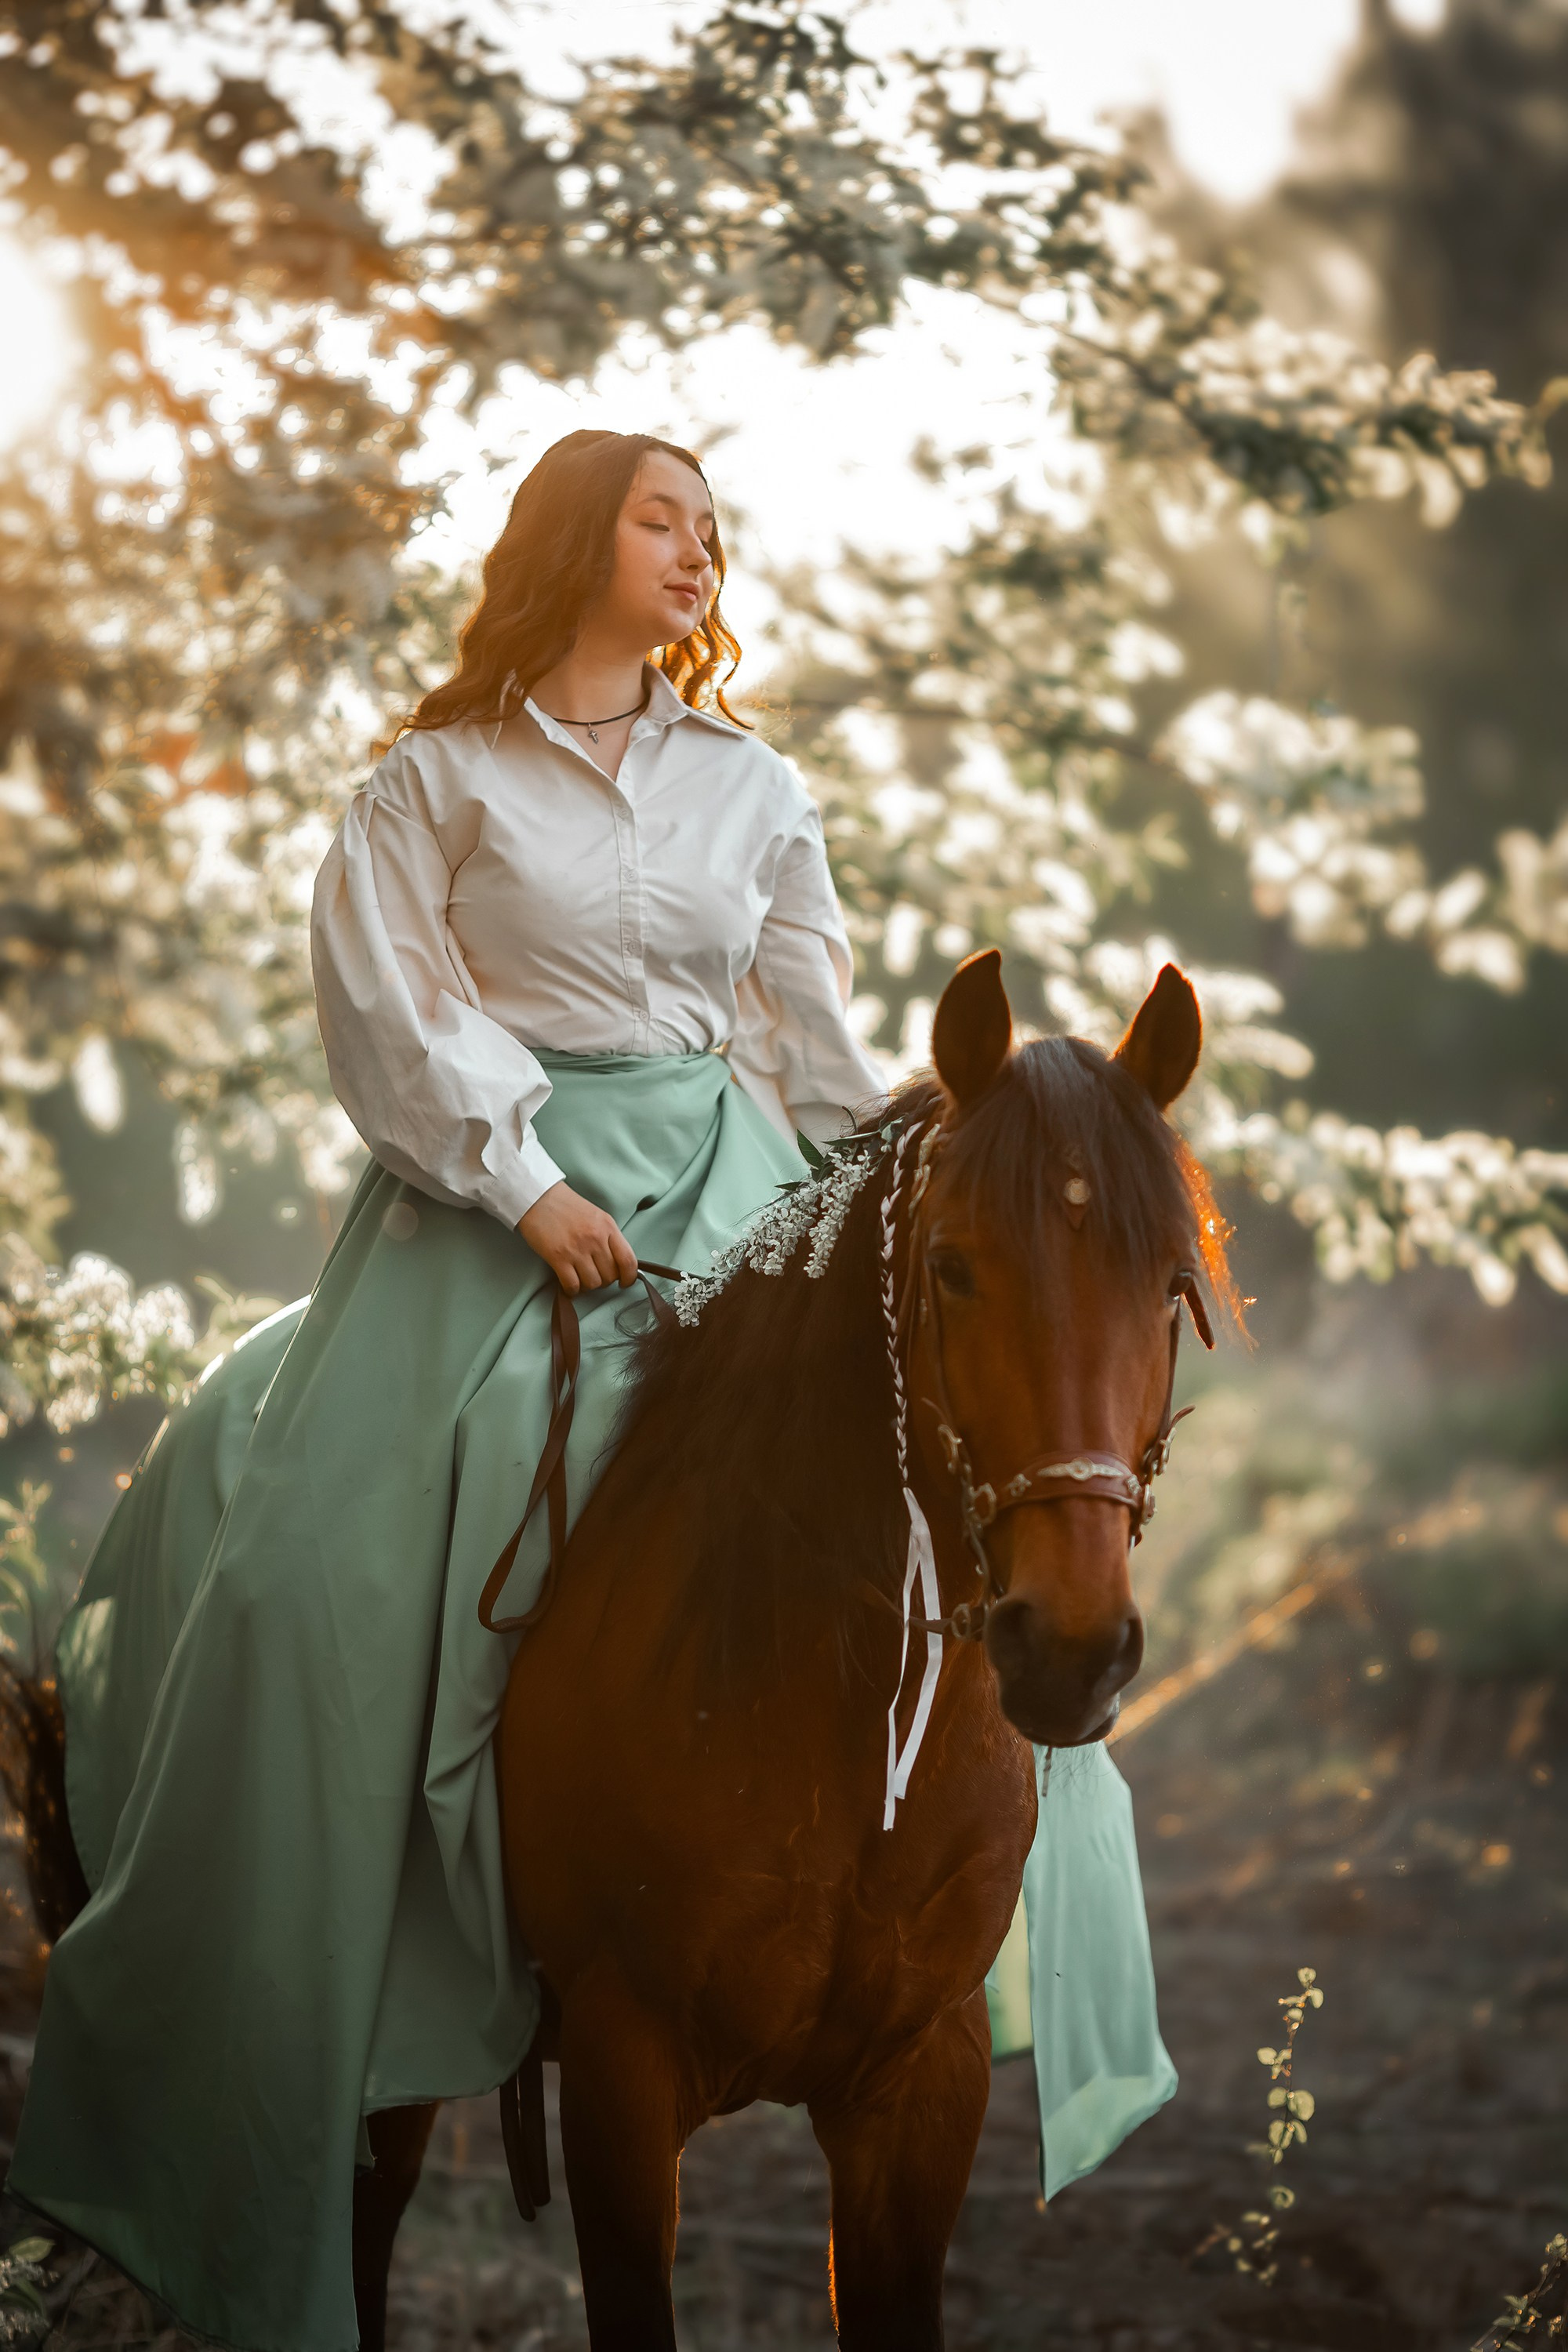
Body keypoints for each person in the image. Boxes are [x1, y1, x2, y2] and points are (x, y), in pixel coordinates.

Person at [8, 429, 889, 2351]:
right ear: (575, 540)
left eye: (711, 526)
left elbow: (808, 1031)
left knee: (912, 1499)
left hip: (727, 1187)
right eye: (659, 517)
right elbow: (392, 1012)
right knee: (300, 1576)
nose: (698, 548)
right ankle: (297, 1966)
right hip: (493, 1197)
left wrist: (879, 1190)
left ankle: (946, 1913)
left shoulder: (754, 786)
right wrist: (528, 1186)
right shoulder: (433, 780)